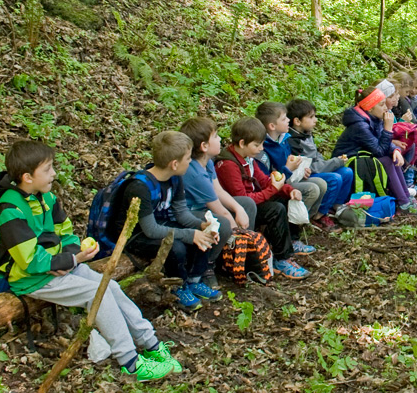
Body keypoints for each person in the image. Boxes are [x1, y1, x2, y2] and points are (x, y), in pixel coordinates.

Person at [0, 140, 181, 381]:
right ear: (27, 177)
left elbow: (66, 232)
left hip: (58, 267)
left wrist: (73, 255)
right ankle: (130, 363)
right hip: (32, 279)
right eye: (47, 169)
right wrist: (68, 259)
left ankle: (151, 344)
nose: (54, 173)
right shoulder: (10, 211)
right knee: (97, 293)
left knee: (110, 285)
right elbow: (29, 261)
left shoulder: (46, 198)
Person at [109, 131, 223, 311]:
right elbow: (151, 230)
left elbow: (181, 213)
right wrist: (190, 234)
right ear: (174, 163)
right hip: (136, 235)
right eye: (187, 158)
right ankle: (178, 286)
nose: (190, 161)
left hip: (160, 224)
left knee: (204, 235)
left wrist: (202, 226)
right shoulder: (139, 187)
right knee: (176, 246)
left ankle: (195, 280)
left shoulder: (175, 178)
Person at [215, 117, 314, 280]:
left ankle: (286, 246)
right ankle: (282, 259)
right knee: (275, 209)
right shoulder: (228, 165)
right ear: (242, 143)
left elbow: (264, 180)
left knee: (284, 201)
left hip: (252, 203)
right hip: (239, 211)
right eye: (256, 145)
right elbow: (244, 198)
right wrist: (272, 190)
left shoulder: (248, 158)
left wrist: (288, 190)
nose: (261, 148)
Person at [179, 116, 257, 288]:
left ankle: (238, 255)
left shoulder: (208, 163)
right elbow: (218, 208)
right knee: (222, 222)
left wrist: (238, 209)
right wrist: (237, 229)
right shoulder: (194, 172)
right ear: (204, 146)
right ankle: (207, 265)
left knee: (246, 204)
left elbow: (219, 191)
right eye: (215, 136)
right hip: (190, 212)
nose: (220, 139)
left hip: (206, 207)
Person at [332, 86, 417, 218]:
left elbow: (381, 143)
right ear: (370, 107)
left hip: (363, 158)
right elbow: (379, 150)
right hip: (348, 162)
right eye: (381, 105)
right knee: (385, 160)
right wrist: (388, 129)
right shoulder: (359, 125)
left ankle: (406, 199)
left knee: (392, 157)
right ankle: (404, 203)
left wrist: (395, 150)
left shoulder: (373, 118)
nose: (386, 108)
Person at [255, 102, 331, 229]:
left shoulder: (284, 139)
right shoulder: (264, 147)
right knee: (312, 189)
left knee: (321, 183)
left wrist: (301, 170)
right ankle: (290, 230)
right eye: (284, 119)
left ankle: (304, 221)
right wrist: (288, 169)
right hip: (277, 187)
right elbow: (270, 178)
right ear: (272, 126)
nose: (288, 120)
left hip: (288, 178)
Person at [285, 98, 355, 222]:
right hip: (307, 174)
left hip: (318, 168)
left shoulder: (307, 133)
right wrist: (334, 162)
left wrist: (333, 162)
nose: (315, 120)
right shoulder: (293, 141)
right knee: (335, 179)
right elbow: (309, 168)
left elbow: (316, 156)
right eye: (311, 117)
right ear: (297, 121)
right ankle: (321, 214)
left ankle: (337, 207)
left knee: (347, 172)